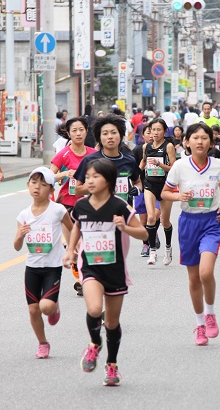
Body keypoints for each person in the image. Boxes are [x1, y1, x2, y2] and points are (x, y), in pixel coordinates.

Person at [63, 158, 148, 386]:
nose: (89, 181)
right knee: (93, 308)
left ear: (109, 180)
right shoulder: (80, 205)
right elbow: (77, 228)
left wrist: (125, 227)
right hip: (90, 266)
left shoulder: (119, 205)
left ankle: (112, 365)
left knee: (111, 322)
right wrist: (71, 251)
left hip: (115, 270)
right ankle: (94, 343)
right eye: (88, 177)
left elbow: (144, 235)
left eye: (95, 177)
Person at [161, 123, 220, 346]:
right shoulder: (179, 166)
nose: (200, 142)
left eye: (204, 138)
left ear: (211, 141)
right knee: (193, 278)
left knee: (205, 272)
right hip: (189, 223)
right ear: (187, 142)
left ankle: (210, 313)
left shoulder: (218, 165)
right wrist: (178, 196)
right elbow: (165, 192)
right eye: (195, 138)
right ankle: (200, 325)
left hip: (212, 222)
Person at [13, 167, 73, 359]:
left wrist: (72, 250)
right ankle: (43, 343)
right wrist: (20, 236)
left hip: (52, 267)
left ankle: (54, 306)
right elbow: (16, 247)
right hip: (32, 267)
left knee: (45, 307)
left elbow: (72, 229)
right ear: (27, 185)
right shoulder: (23, 215)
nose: (37, 187)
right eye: (33, 183)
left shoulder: (57, 210)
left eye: (43, 184)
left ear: (51, 190)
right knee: (33, 309)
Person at [50, 117, 97, 295]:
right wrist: (65, 174)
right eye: (74, 130)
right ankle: (81, 277)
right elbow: (48, 176)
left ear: (86, 132)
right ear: (68, 134)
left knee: (84, 244)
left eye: (81, 130)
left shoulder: (93, 153)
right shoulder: (63, 154)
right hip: (66, 207)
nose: (78, 133)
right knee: (74, 246)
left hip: (90, 206)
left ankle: (83, 280)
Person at [74, 114, 142, 202]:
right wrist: (100, 184)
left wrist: (137, 189)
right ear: (99, 138)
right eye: (105, 133)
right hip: (99, 211)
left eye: (114, 132)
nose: (110, 137)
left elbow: (138, 182)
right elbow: (77, 191)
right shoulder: (89, 160)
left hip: (123, 211)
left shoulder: (130, 160)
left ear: (120, 135)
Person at [139, 118, 176, 266]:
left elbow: (174, 168)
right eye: (153, 129)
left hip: (166, 186)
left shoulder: (169, 146)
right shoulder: (146, 147)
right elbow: (143, 162)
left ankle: (168, 248)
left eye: (158, 129)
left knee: (165, 221)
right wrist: (135, 173)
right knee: (151, 218)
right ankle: (152, 251)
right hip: (149, 185)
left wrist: (160, 164)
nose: (155, 132)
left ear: (164, 131)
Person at [132, 123, 161, 257]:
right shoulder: (137, 150)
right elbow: (134, 170)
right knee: (143, 220)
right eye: (148, 132)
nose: (151, 135)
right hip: (141, 188)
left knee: (154, 216)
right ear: (142, 135)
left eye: (153, 131)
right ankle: (146, 244)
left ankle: (153, 234)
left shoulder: (164, 148)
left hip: (157, 187)